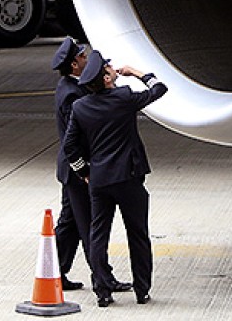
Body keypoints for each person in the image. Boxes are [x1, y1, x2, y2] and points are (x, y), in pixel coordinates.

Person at [63, 51, 167, 308]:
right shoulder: (123, 98)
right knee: (138, 234)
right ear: (107, 79)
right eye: (108, 69)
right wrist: (136, 73)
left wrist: (84, 172)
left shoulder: (80, 107)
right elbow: (159, 88)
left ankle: (103, 291)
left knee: (98, 234)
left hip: (99, 179)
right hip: (129, 178)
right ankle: (142, 290)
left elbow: (70, 147)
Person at [50, 38, 131, 294]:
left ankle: (55, 272)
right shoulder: (71, 94)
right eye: (83, 57)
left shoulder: (71, 87)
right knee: (90, 227)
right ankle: (103, 279)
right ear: (75, 64)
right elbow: (77, 138)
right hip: (78, 171)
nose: (87, 60)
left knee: (69, 224)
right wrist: (85, 171)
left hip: (71, 170)